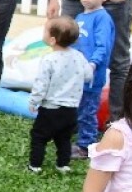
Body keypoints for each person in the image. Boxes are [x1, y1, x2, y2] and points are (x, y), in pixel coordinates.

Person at [28, 17, 92, 173]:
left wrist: (33, 101)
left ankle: (35, 165)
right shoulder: (78, 56)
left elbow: (41, 84)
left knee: (39, 137)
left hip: (50, 108)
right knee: (64, 138)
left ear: (52, 40)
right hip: (71, 109)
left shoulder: (49, 60)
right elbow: (88, 75)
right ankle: (63, 164)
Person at [72, 0, 118, 158]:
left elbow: (103, 46)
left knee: (88, 110)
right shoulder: (80, 17)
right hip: (76, 73)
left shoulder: (102, 18)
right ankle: (77, 136)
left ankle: (86, 145)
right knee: (78, 107)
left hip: (91, 75)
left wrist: (92, 64)